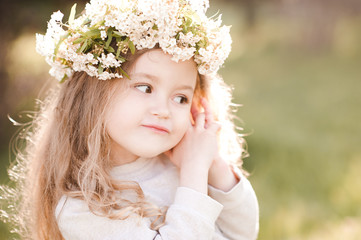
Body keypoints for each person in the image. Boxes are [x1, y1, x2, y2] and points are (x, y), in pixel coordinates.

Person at [2, 0, 259, 239]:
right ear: (94, 93)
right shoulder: (83, 206)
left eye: (180, 98)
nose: (164, 110)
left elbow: (243, 232)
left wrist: (213, 166)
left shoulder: (181, 162)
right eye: (145, 88)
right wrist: (194, 175)